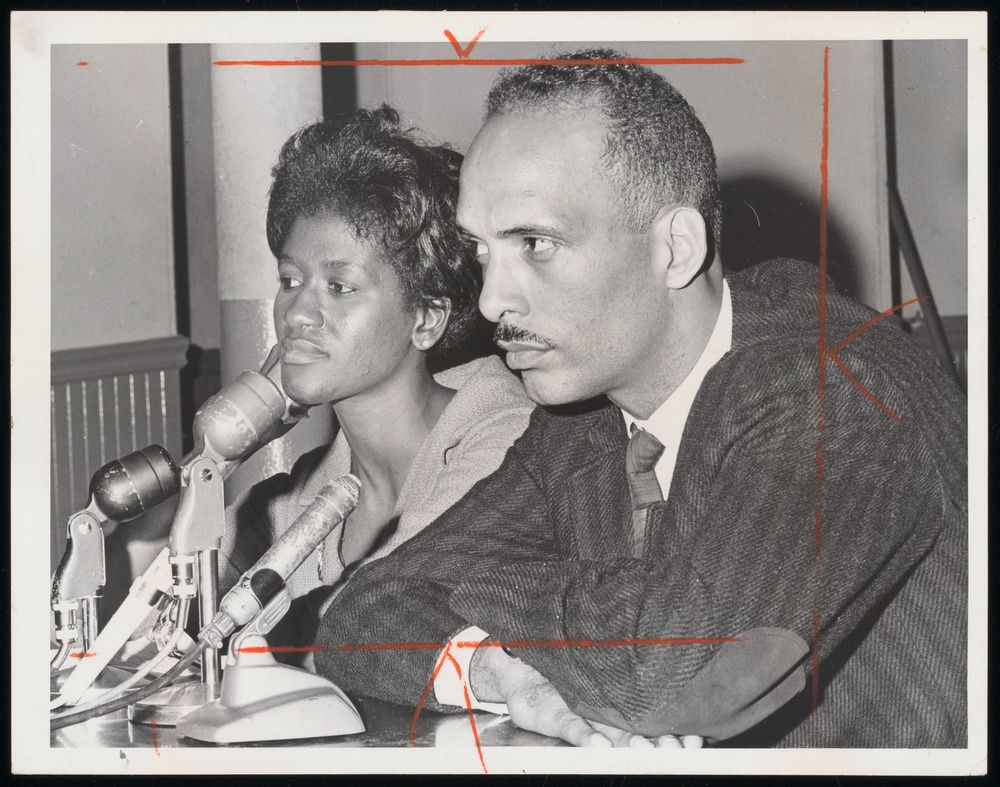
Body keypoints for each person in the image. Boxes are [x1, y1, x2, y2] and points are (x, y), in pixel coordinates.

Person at [312, 50, 968, 748]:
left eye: (535, 242)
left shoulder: (834, 385)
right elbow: (360, 615)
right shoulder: (580, 419)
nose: (493, 299)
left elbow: (673, 677)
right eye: (481, 253)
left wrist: (490, 597)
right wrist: (496, 669)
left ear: (676, 248)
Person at [217, 106, 535, 643]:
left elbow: (379, 623)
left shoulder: (507, 443)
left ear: (426, 320)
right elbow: (162, 611)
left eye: (340, 287)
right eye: (291, 280)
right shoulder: (292, 501)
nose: (296, 314)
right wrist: (229, 439)